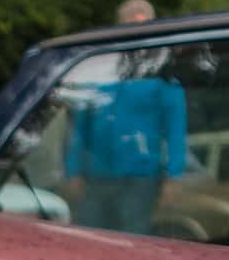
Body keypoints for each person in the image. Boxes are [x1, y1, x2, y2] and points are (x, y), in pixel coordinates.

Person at [65, 53, 187, 233]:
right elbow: (79, 130)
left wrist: (174, 176)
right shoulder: (100, 79)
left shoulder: (162, 82)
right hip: (96, 175)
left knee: (131, 236)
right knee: (88, 234)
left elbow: (175, 131)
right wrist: (73, 170)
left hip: (139, 177)